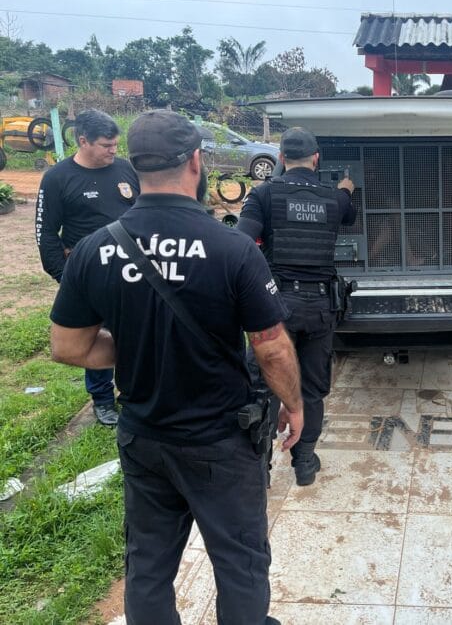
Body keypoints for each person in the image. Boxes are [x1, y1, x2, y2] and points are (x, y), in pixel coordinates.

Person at [48, 110, 304, 625]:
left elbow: (68, 347)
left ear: (133, 166)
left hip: (144, 437)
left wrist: (137, 343)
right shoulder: (232, 248)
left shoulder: (95, 248)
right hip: (219, 441)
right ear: (195, 162)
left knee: (148, 564)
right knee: (240, 563)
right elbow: (272, 348)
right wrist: (295, 406)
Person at [237, 126, 356, 486]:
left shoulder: (264, 194)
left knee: (264, 385)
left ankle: (260, 467)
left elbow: (241, 243)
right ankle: (304, 463)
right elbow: (349, 214)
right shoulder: (335, 198)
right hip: (320, 306)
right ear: (316, 158)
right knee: (312, 389)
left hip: (275, 306)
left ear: (280, 158)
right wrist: (346, 189)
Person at [35, 109, 140, 426]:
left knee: (134, 331)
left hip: (133, 270)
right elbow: (46, 233)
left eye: (115, 144)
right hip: (90, 274)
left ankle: (135, 390)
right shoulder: (58, 178)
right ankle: (103, 399)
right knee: (97, 334)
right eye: (106, 145)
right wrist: (66, 277)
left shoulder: (125, 169)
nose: (113, 151)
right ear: (83, 141)